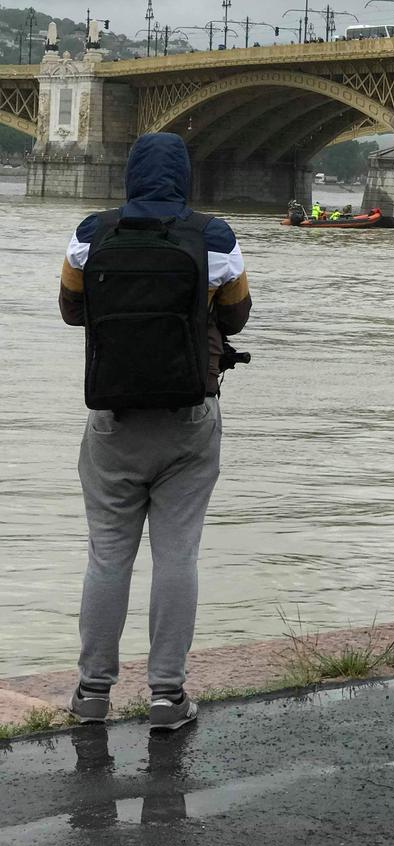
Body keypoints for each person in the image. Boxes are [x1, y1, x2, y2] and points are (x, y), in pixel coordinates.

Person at [59, 132, 252, 732]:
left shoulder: (92, 232)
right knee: (177, 556)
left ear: (130, 176)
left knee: (108, 556)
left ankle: (92, 692)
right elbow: (238, 314)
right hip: (189, 419)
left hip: (113, 420)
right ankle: (167, 695)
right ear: (185, 177)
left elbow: (70, 309)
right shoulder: (214, 235)